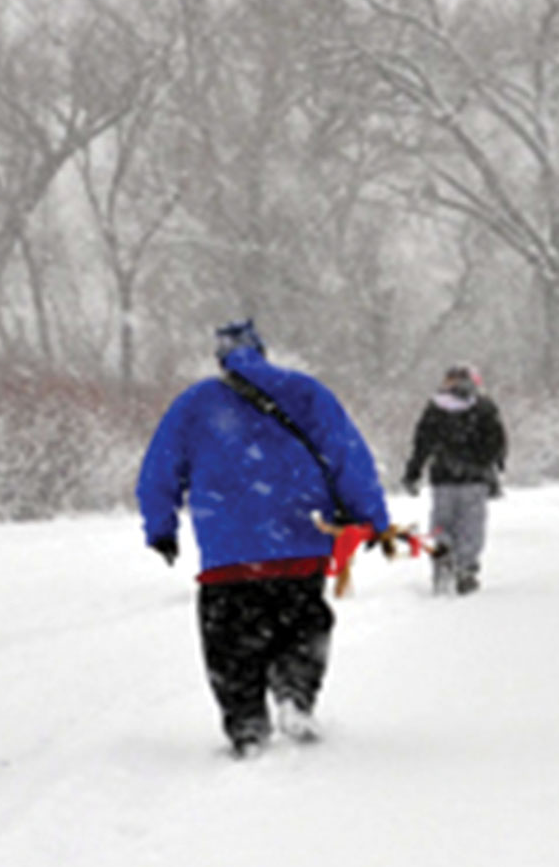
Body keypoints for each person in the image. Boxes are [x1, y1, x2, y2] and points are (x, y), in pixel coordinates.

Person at [136, 319, 391, 756]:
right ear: (263, 351)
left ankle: (248, 725)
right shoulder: (305, 392)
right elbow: (348, 455)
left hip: (229, 554)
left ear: (221, 359)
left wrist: (161, 527)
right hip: (300, 543)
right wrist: (373, 517)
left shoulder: (195, 403)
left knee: (230, 644)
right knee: (303, 626)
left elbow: (159, 470)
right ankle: (296, 696)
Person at [403, 364, 507, 594]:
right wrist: (493, 464)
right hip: (474, 478)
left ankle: (443, 552)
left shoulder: (435, 408)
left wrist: (413, 472)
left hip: (443, 477)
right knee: (471, 525)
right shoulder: (484, 407)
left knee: (442, 519)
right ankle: (466, 568)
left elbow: (422, 444)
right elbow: (497, 441)